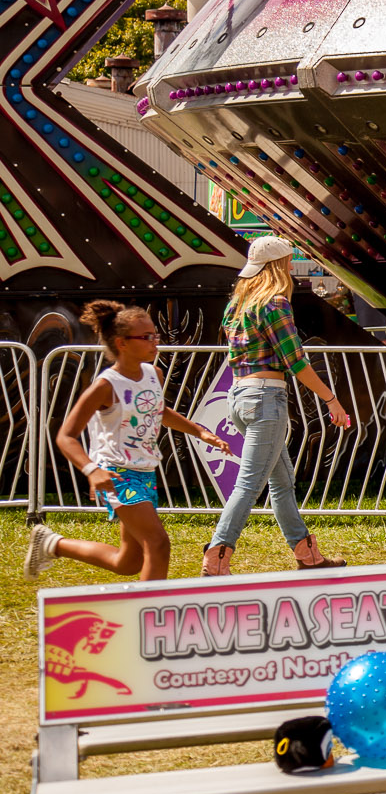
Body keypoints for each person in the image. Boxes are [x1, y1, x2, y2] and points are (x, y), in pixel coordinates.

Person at [27, 302, 229, 582]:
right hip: (116, 474)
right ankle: (150, 608)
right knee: (158, 543)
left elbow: (158, 411)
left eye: (154, 335)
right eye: (146, 337)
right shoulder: (106, 386)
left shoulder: (154, 374)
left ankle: (52, 544)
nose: (154, 341)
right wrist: (92, 470)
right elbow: (66, 436)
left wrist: (199, 432)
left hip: (145, 472)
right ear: (121, 343)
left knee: (128, 561)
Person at [204, 237, 350, 575]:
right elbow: (295, 361)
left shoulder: (236, 305)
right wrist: (331, 400)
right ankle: (217, 557)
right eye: (288, 263)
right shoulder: (274, 304)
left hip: (241, 397)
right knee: (249, 486)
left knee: (281, 483)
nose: (291, 269)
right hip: (265, 400)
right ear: (279, 266)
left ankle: (308, 557)